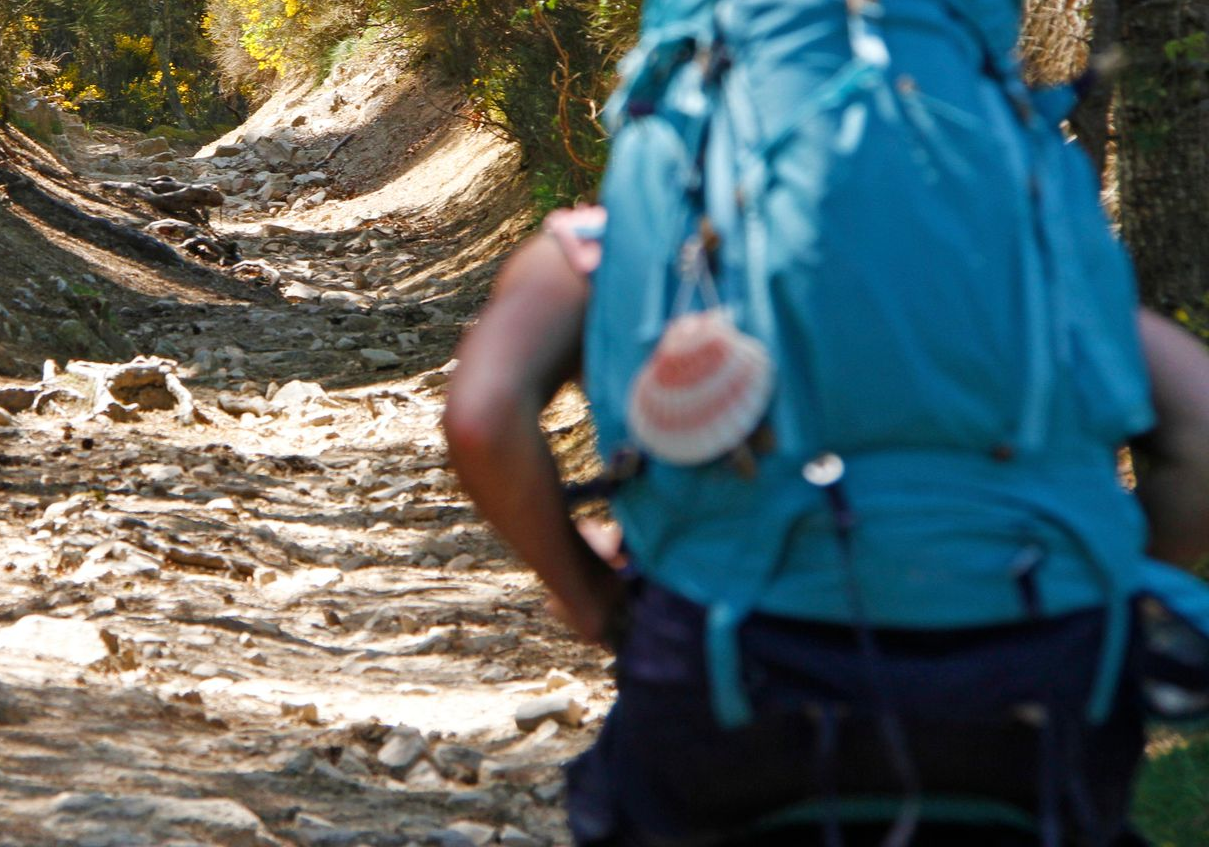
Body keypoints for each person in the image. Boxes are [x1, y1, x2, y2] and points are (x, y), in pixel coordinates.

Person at [442, 209, 1209, 847]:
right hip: (1033, 693)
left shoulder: (608, 241)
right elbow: (1200, 430)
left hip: (730, 696)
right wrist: (1090, 589)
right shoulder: (1025, 239)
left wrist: (591, 597)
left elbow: (482, 417)